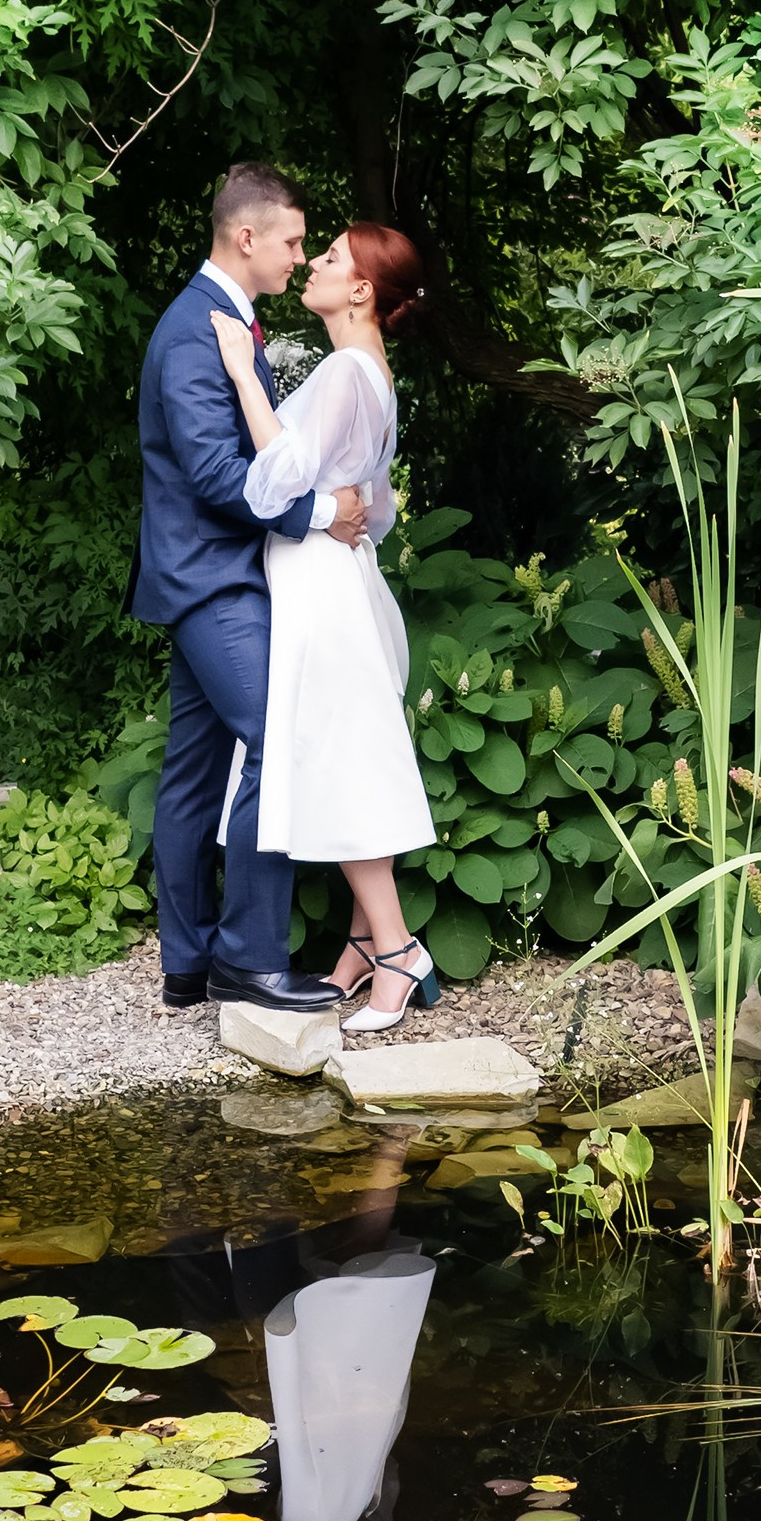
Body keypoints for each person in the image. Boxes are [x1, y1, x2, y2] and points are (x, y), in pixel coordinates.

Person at [131, 164, 368, 1011]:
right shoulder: (198, 330)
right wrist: (319, 514)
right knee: (278, 735)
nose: (300, 257)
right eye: (294, 242)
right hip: (211, 578)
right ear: (247, 238)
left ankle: (186, 967)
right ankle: (248, 959)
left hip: (212, 573)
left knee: (195, 771)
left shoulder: (225, 322)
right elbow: (214, 473)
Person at [209, 221, 441, 1036]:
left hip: (319, 592)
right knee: (342, 760)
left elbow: (276, 484)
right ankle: (357, 946)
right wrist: (338, 514)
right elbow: (373, 510)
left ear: (361, 291)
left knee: (339, 768)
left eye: (332, 258)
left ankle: (399, 952)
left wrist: (244, 374)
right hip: (338, 580)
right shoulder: (375, 374)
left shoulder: (346, 369)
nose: (314, 263)